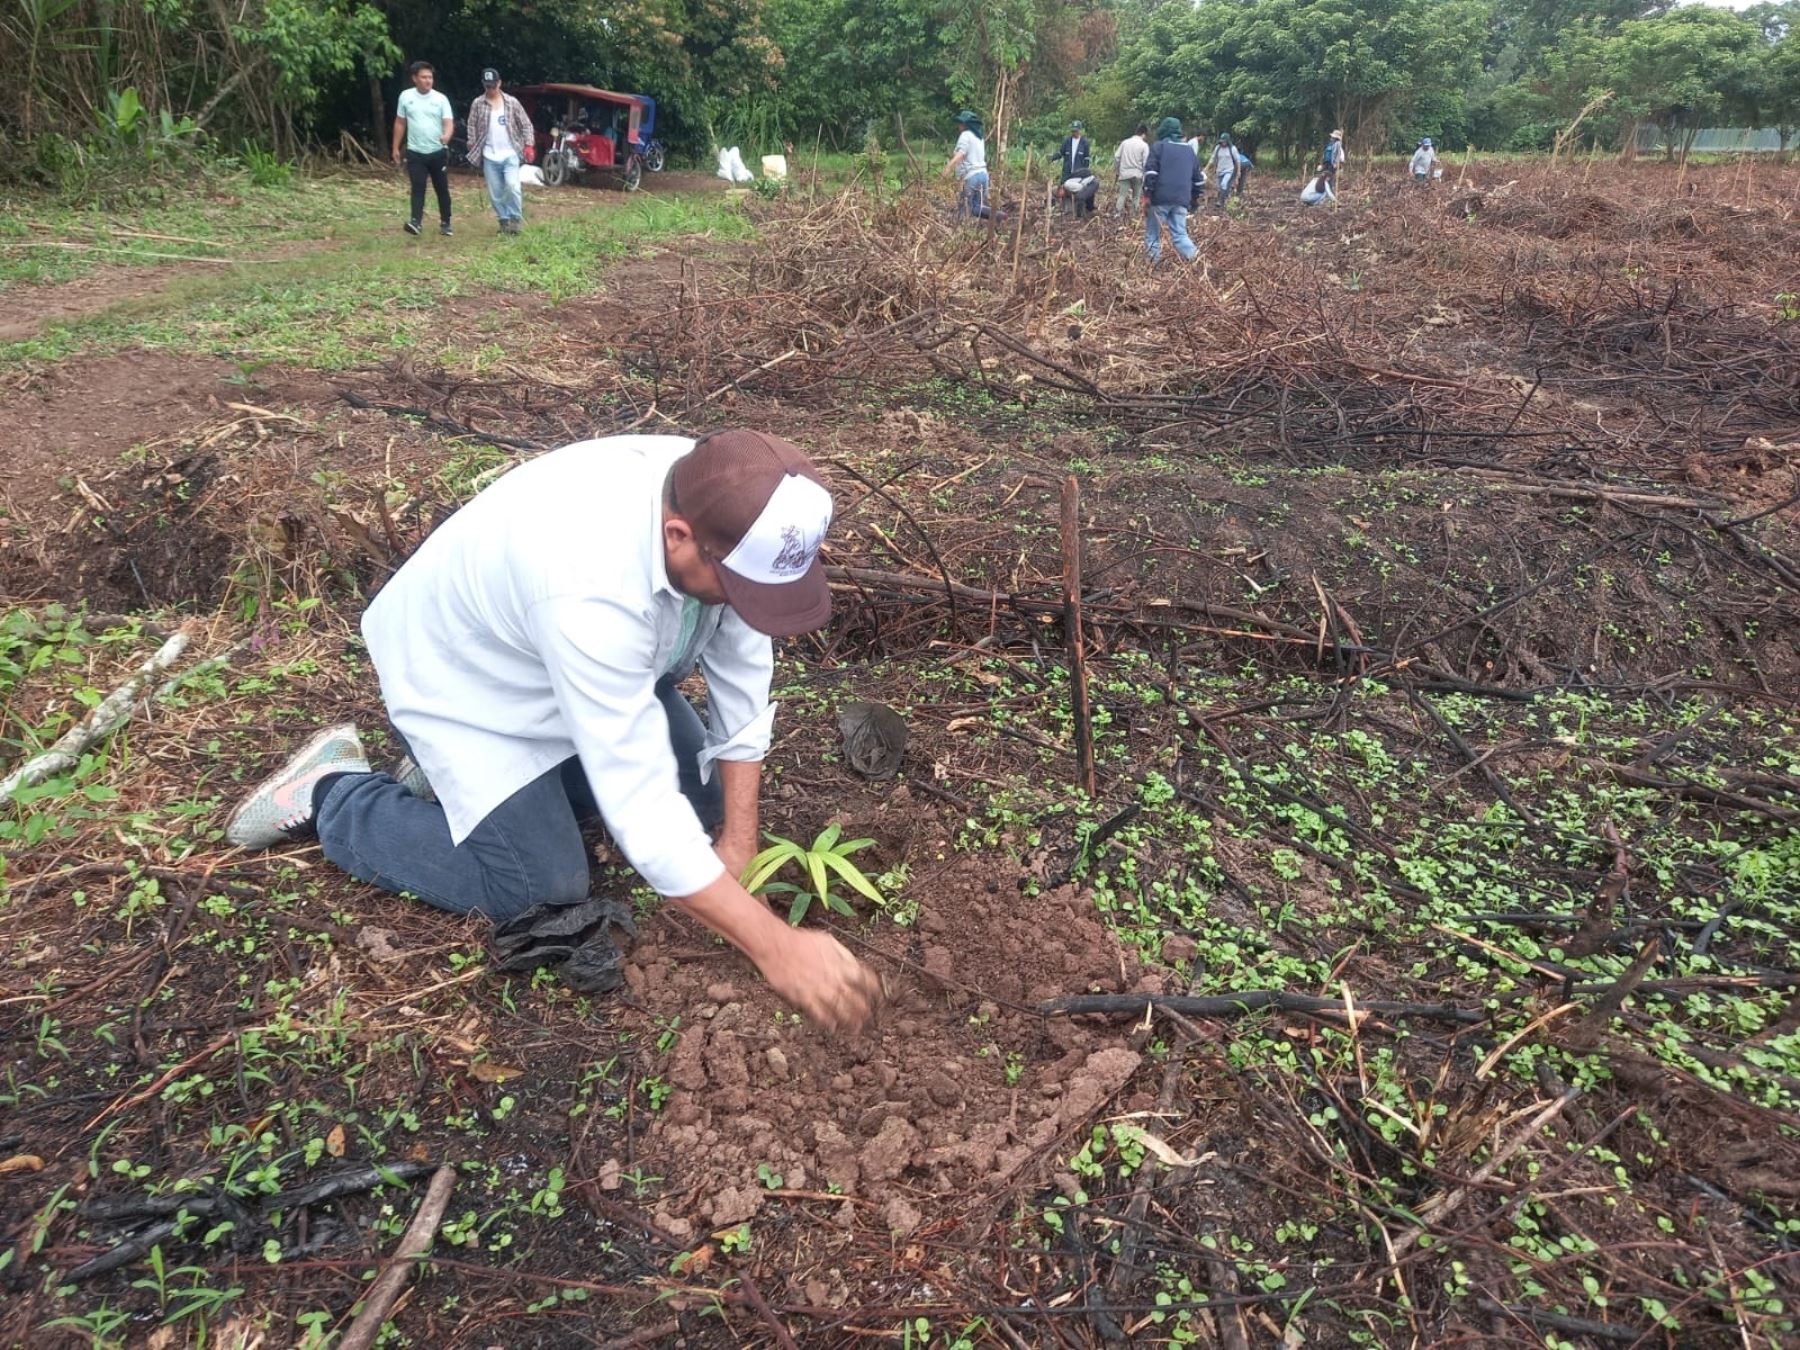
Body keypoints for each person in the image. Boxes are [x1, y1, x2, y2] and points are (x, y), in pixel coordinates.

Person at [223, 430, 884, 1034]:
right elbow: (644, 813)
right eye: (735, 585)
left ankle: (462, 790)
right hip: (470, 682)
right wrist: (776, 947)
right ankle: (336, 794)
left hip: (576, 661)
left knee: (707, 805)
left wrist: (737, 843)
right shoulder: (587, 584)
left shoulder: (733, 497)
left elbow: (742, 676)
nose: (746, 599)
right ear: (678, 535)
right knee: (539, 889)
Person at [466, 69, 534, 235]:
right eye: (487, 86)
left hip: (510, 153)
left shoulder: (512, 102)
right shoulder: (477, 103)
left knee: (512, 186)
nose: (491, 89)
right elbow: (471, 125)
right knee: (495, 192)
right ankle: (503, 220)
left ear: (500, 83)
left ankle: (515, 218)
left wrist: (529, 144)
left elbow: (526, 124)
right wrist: (471, 142)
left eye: (493, 86)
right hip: (489, 154)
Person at [393, 60, 454, 237]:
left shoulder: (440, 99)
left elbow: (448, 122)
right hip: (415, 151)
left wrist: (447, 135)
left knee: (441, 188)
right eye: (423, 77)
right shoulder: (405, 97)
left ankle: (446, 222)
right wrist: (395, 147)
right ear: (414, 78)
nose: (428, 80)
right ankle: (416, 222)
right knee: (417, 187)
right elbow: (400, 122)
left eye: (430, 77)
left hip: (437, 151)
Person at [1142, 116, 1203, 264]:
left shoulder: (1159, 147)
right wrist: (1194, 200)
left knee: (1153, 234)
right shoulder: (1189, 151)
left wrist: (1147, 195)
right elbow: (1199, 180)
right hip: (1182, 200)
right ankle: (1197, 261)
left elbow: (1151, 173)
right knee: (1180, 234)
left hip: (1160, 199)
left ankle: (1153, 265)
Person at [943, 109, 990, 219]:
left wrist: (948, 167)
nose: (959, 125)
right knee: (977, 208)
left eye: (961, 123)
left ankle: (962, 232)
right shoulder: (979, 138)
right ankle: (997, 216)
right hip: (983, 175)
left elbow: (961, 154)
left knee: (965, 210)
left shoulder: (966, 135)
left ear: (965, 124)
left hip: (972, 176)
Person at [1113, 124, 1148, 217]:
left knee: (1122, 195)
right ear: (1144, 134)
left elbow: (1116, 157)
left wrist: (1118, 169)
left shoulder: (1125, 142)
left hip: (1124, 173)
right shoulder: (1144, 145)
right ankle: (1134, 215)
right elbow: (1146, 162)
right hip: (1137, 174)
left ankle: (1117, 213)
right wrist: (1144, 176)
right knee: (1136, 196)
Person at [1210, 133, 1245, 209]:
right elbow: (1214, 158)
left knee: (1224, 184)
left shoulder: (1232, 149)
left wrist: (1238, 172)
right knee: (1219, 187)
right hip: (1219, 170)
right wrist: (1212, 168)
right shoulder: (1218, 148)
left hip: (1229, 170)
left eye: (1224, 141)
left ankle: (1221, 201)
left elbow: (1237, 160)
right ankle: (1222, 198)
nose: (1223, 143)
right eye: (1222, 141)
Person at [1321, 128, 1346, 192]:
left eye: (1333, 137)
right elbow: (1326, 153)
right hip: (1327, 162)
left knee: (1330, 177)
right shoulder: (1331, 143)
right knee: (1325, 176)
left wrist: (1335, 163)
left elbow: (1337, 154)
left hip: (1332, 163)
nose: (1331, 137)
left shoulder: (1337, 144)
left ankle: (1330, 190)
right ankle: (1325, 189)